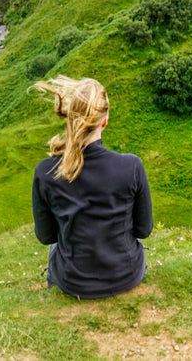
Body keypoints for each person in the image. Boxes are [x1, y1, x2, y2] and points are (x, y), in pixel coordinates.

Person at [30, 76, 153, 299]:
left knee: (55, 248)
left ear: (69, 117)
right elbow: (143, 230)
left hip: (74, 283)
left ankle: (54, 288)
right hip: (126, 274)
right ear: (104, 121)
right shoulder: (131, 165)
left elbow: (46, 236)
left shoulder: (45, 171)